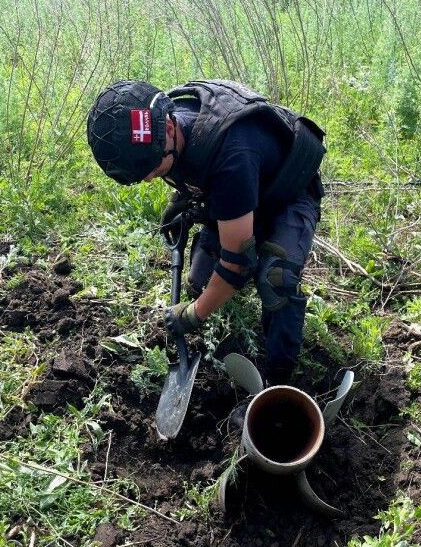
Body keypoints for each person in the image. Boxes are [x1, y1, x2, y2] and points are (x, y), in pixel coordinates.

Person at [86, 80, 326, 385]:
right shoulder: (162, 128)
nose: (148, 179)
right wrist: (182, 201)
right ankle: (230, 239)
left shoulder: (230, 154)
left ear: (170, 130)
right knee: (200, 283)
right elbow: (190, 170)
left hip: (288, 191)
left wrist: (193, 314)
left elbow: (237, 264)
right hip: (241, 190)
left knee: (274, 277)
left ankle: (280, 377)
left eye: (152, 169)